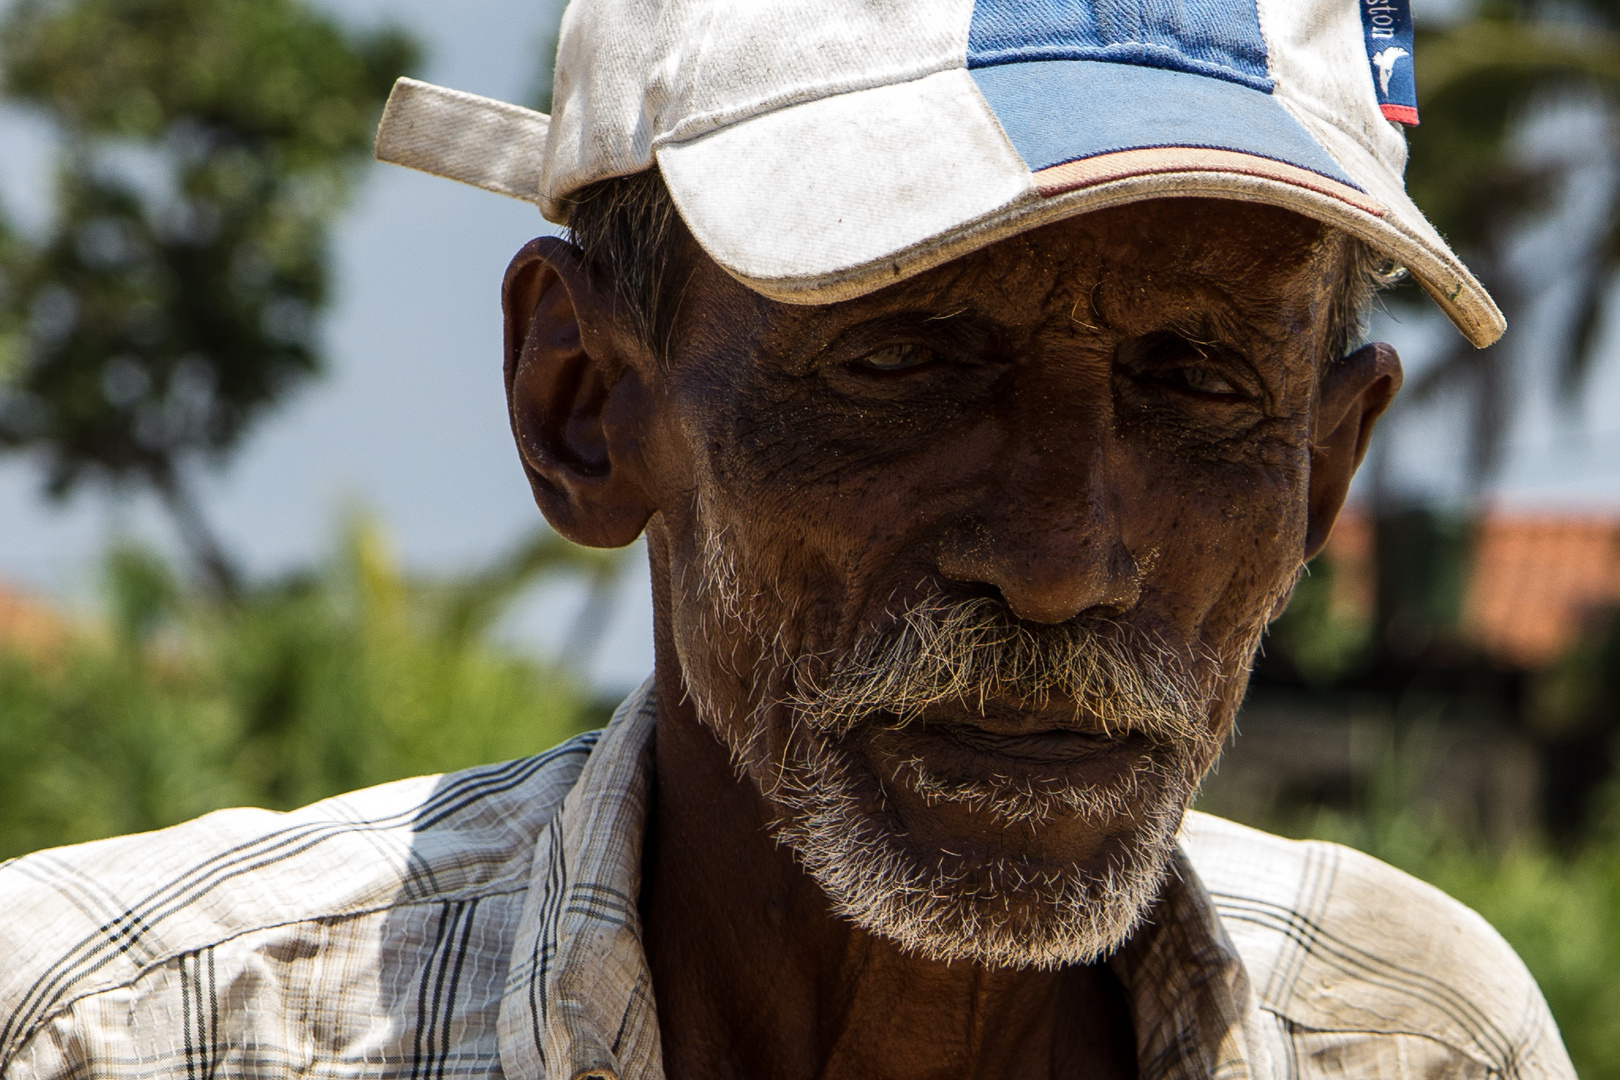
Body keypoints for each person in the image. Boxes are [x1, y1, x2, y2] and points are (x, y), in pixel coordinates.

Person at [0, 1, 1575, 1078]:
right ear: (584, 406)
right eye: (906, 361)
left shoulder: (1414, 1034)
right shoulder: (131, 1034)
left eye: (1200, 379)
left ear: (1319, 475)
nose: (1061, 556)